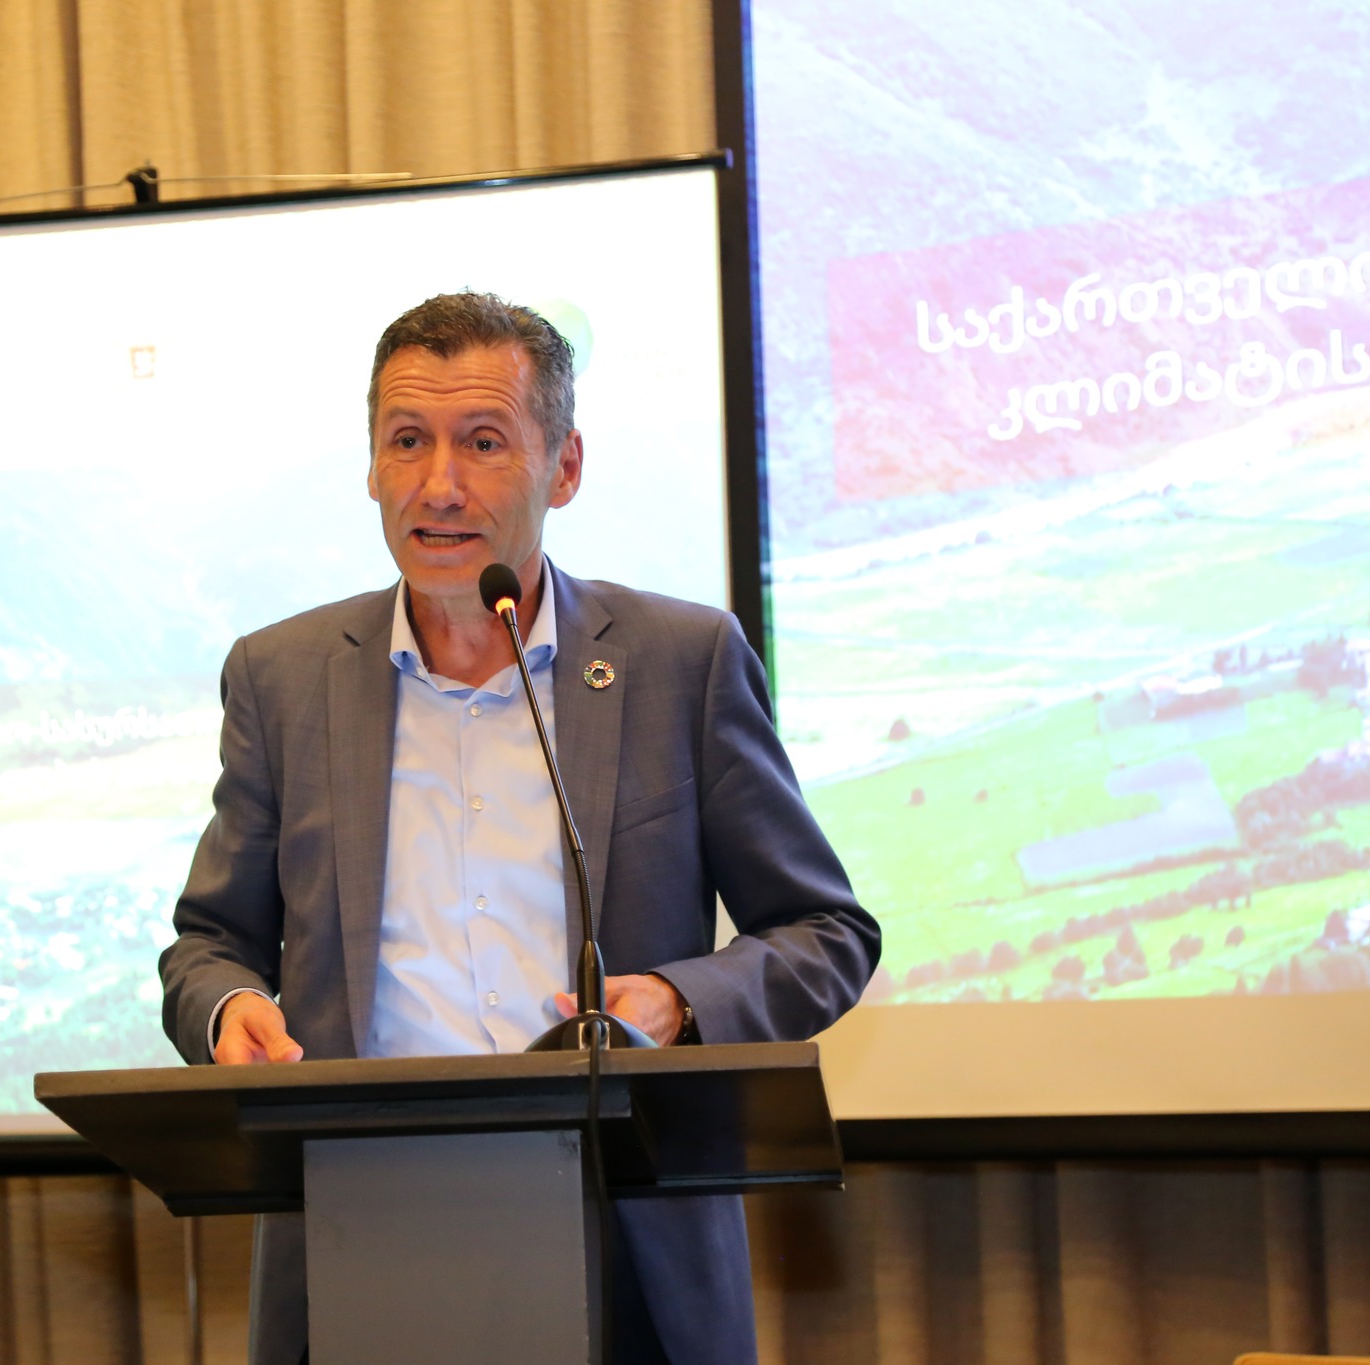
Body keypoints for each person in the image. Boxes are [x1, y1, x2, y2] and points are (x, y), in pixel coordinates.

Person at [159, 291, 879, 1365]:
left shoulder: (679, 663)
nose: (439, 484)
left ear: (564, 467)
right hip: (359, 1231)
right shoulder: (282, 678)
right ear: (370, 467)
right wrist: (228, 1010)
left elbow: (826, 931)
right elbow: (208, 943)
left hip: (626, 1233)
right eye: (407, 441)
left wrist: (679, 1000)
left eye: (484, 442)